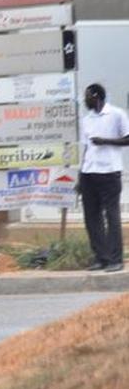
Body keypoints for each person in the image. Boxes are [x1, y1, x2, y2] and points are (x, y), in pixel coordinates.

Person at [79, 83, 129, 272]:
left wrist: (105, 141)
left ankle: (116, 259)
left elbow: (128, 138)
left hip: (109, 172)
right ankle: (101, 257)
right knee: (91, 217)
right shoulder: (87, 119)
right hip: (89, 172)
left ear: (97, 96)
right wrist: (80, 176)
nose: (85, 100)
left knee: (112, 215)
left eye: (87, 96)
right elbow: (86, 148)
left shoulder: (116, 114)